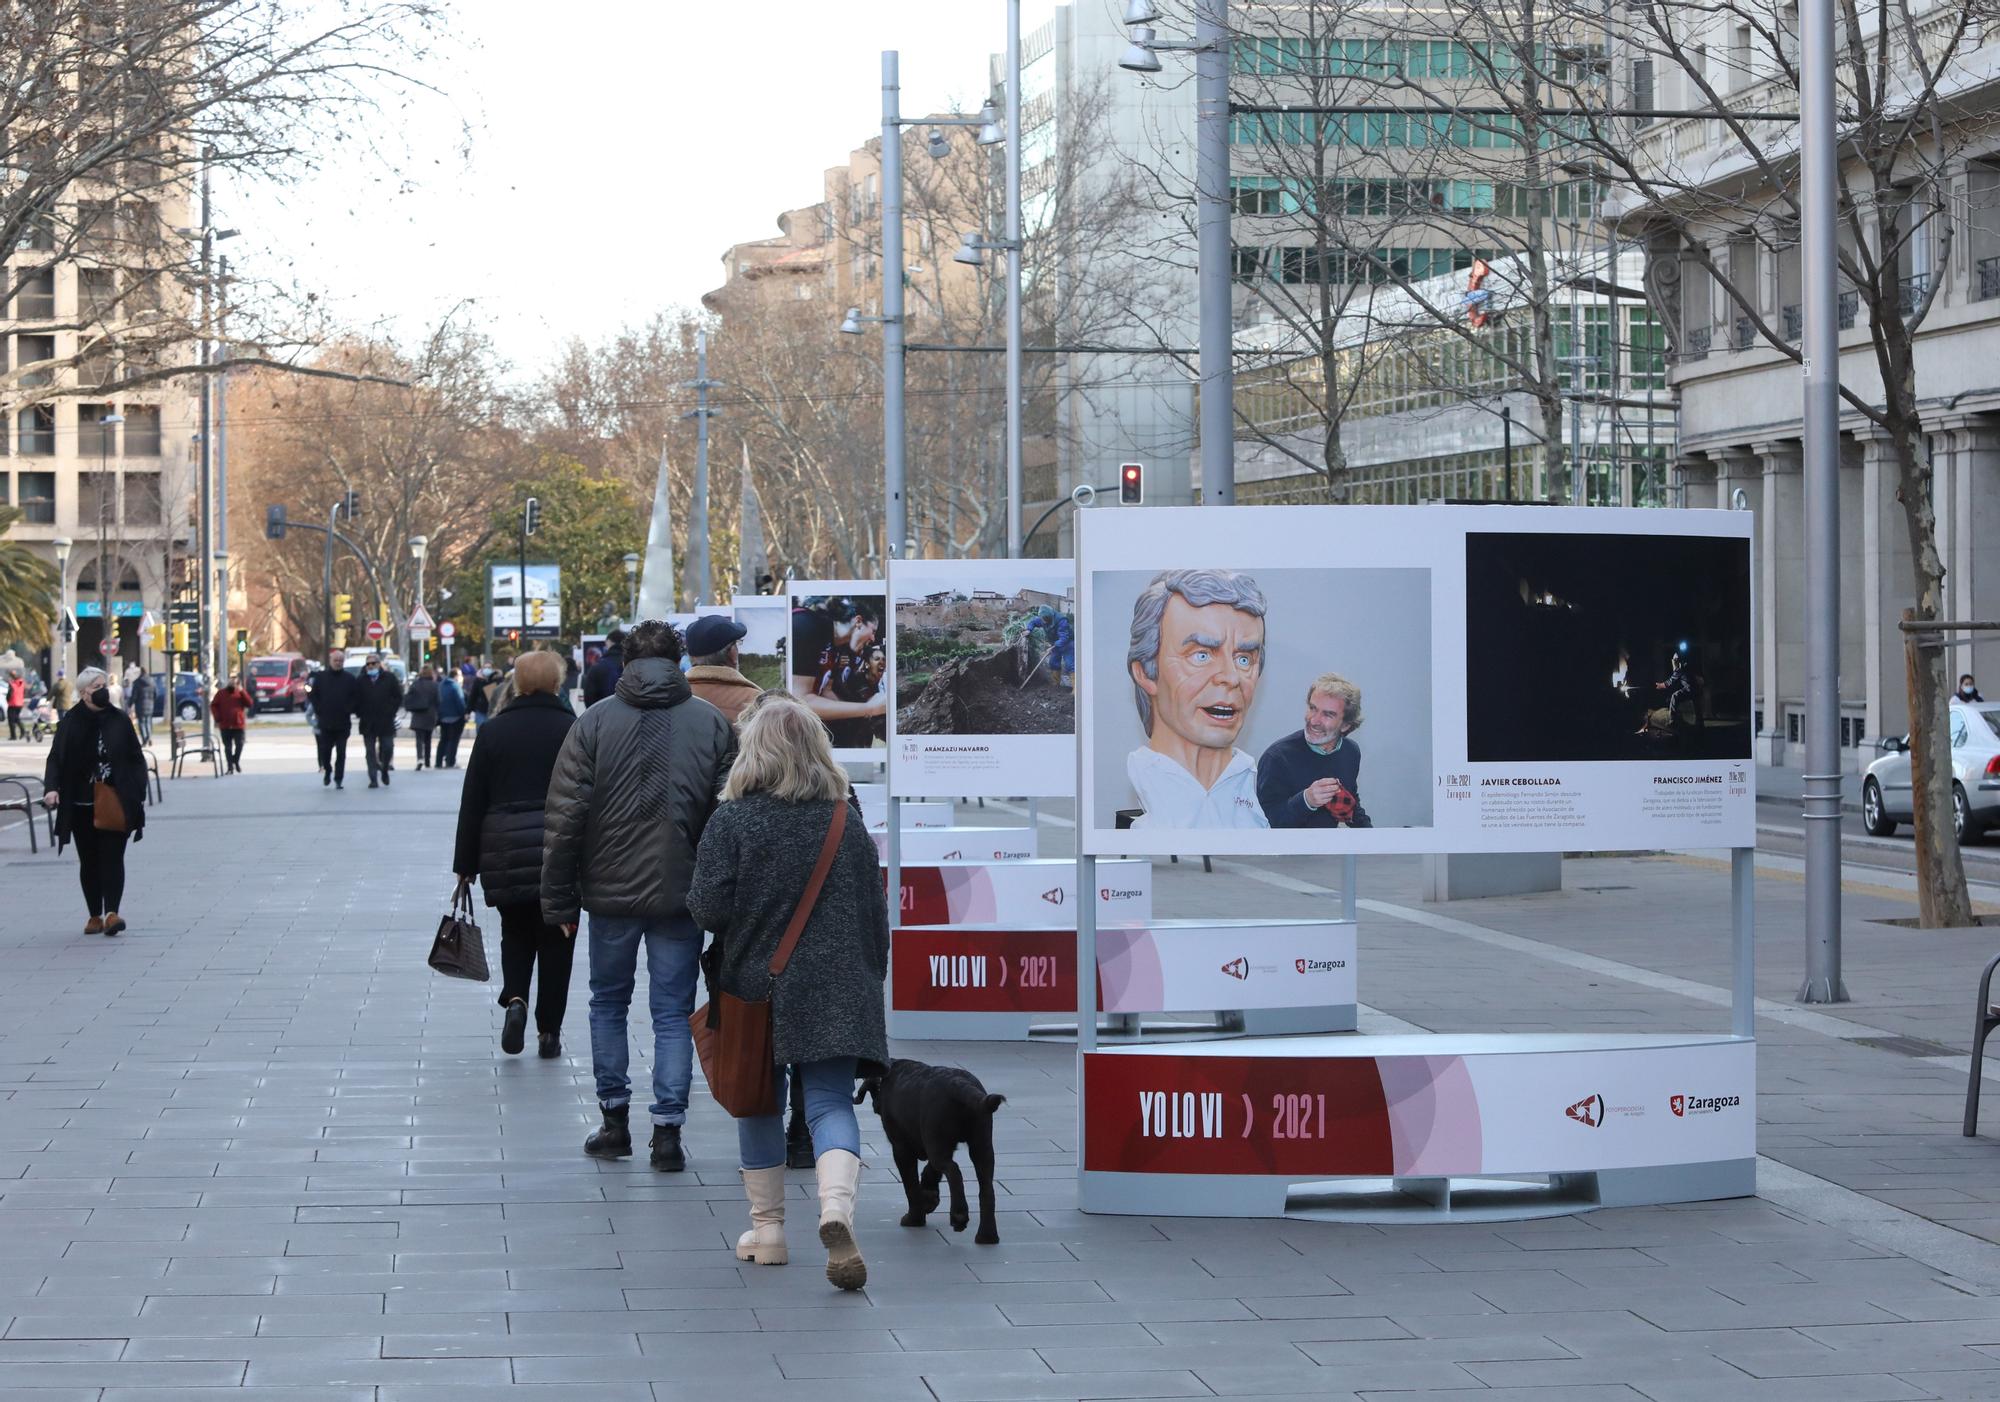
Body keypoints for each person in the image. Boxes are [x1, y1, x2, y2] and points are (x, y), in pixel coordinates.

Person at [687, 694, 888, 1291]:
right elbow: (874, 910)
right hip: (837, 983)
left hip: (756, 985)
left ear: (755, 750)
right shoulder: (842, 817)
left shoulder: (734, 819)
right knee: (828, 1103)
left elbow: (705, 906)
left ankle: (768, 1231)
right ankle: (835, 1211)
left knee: (758, 1099)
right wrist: (869, 973)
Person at [542, 618, 736, 1172]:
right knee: (673, 1011)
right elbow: (728, 817)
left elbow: (564, 817)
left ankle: (614, 1121)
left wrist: (558, 901)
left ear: (625, 662)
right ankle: (668, 1132)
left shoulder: (594, 723)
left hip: (609, 894)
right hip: (683, 892)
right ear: (680, 661)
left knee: (608, 1003)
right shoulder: (712, 724)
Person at [453, 650, 577, 1059]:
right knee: (559, 937)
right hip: (558, 848)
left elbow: (473, 801)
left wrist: (465, 866)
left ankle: (517, 1000)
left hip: (505, 849)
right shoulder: (571, 728)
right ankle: (549, 1032)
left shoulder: (494, 732)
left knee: (516, 931)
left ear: (517, 683)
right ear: (558, 683)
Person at [1124, 569, 1270, 829]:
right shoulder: (1153, 791)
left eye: (1244, 659)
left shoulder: (1247, 781)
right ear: (1146, 672)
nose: (1231, 677)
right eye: (1201, 655)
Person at [40, 667, 147, 936]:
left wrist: (137, 790)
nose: (103, 690)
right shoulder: (70, 722)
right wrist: (52, 788)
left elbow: (136, 758)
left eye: (104, 685)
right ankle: (94, 915)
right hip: (80, 803)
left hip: (115, 799)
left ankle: (112, 913)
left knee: (113, 858)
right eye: (96, 686)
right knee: (89, 861)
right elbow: (55, 759)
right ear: (84, 691)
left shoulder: (119, 719)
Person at [1256, 673, 1372, 829]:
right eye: (1312, 708)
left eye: (1328, 714)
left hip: (1325, 850)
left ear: (1346, 725)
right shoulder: (1277, 757)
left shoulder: (1350, 752)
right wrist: (1306, 801)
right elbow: (1264, 824)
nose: (1314, 720)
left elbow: (1350, 805)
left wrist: (1376, 842)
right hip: (1285, 852)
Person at [788, 598, 885, 746]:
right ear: (858, 621)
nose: (873, 638)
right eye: (873, 631)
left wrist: (860, 719)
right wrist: (868, 709)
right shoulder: (806, 626)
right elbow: (800, 701)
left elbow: (826, 691)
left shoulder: (839, 646)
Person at [685, 616, 760, 723]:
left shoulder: (674, 695)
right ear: (732, 654)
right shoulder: (754, 701)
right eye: (737, 644)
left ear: (691, 657)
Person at [306, 648, 361, 788]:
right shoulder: (321, 677)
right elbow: (312, 694)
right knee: (325, 751)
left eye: (340, 661)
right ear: (330, 661)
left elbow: (355, 697)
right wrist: (319, 709)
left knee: (341, 752)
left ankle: (338, 778)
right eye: (335, 660)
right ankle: (327, 770)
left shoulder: (349, 679)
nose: (338, 663)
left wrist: (349, 709)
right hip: (325, 722)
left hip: (342, 723)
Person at [355, 652, 403, 788]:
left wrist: (391, 710)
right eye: (368, 664)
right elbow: (355, 699)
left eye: (373, 663)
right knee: (370, 752)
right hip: (368, 722)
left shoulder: (389, 678)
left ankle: (385, 769)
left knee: (387, 747)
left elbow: (398, 696)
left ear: (379, 664)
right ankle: (373, 779)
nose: (370, 666)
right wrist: (360, 712)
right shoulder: (361, 680)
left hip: (385, 721)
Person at [209, 675, 255, 774]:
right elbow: (213, 705)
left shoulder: (240, 693)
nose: (233, 684)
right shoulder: (221, 693)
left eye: (235, 682)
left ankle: (235, 760)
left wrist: (242, 691)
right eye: (231, 682)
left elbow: (250, 704)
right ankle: (230, 766)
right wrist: (217, 717)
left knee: (240, 744)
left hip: (238, 724)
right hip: (225, 724)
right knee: (228, 747)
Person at [1030, 605, 1075, 689]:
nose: (1044, 621)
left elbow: (1064, 638)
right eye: (1042, 619)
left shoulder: (1061, 620)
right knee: (1053, 663)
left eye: (1046, 619)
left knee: (1070, 664)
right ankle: (1055, 684)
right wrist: (1028, 629)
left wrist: (1052, 647)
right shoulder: (1042, 618)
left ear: (1050, 616)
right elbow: (1033, 622)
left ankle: (1076, 689)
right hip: (1055, 644)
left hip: (1068, 644)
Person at [405, 665, 440, 770]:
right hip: (430, 715)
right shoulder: (435, 685)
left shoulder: (415, 684)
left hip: (418, 714)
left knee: (419, 739)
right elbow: (439, 701)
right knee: (428, 739)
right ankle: (428, 761)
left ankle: (420, 758)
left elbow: (408, 698)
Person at [582, 627, 625, 707]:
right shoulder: (633, 665)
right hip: (630, 717)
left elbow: (589, 698)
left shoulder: (597, 667)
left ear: (608, 642)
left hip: (603, 716)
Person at [435, 669, 469, 768]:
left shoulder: (441, 685)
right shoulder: (456, 686)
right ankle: (450, 761)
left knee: (443, 739)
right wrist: (464, 714)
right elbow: (460, 702)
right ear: (456, 676)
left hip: (443, 717)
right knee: (453, 740)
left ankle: (438, 762)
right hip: (455, 717)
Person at [127, 669, 152, 743]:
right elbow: (155, 692)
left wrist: (130, 704)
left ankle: (145, 739)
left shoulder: (137, 682)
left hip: (140, 705)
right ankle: (149, 737)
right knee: (148, 721)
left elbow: (134, 695)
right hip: (150, 705)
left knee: (142, 723)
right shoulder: (151, 681)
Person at [6, 667, 25, 741]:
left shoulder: (12, 684)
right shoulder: (22, 683)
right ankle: (22, 731)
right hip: (20, 704)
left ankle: (13, 736)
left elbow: (9, 694)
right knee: (16, 719)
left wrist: (7, 700)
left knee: (11, 720)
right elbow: (24, 692)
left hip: (12, 704)